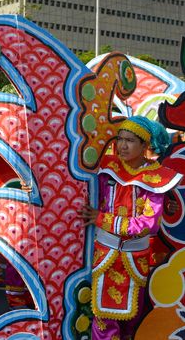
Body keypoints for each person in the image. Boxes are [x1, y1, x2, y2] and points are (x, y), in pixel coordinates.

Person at [79, 116, 182, 339]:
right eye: (120, 139)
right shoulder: (107, 167)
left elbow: (147, 224)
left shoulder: (156, 178)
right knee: (103, 322)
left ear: (145, 145)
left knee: (131, 324)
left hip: (135, 260)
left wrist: (101, 219)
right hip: (103, 256)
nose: (122, 146)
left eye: (130, 141)